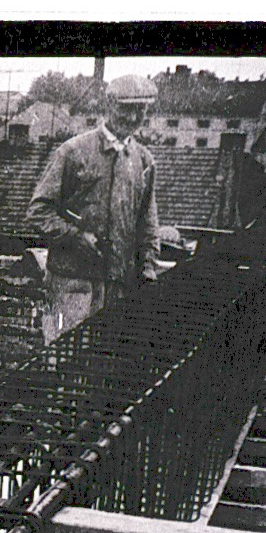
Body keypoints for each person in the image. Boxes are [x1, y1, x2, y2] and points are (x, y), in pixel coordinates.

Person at [26, 74, 161, 344]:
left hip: (117, 288)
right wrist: (76, 236)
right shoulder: (73, 152)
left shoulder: (144, 161)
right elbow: (38, 211)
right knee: (64, 358)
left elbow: (147, 226)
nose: (133, 117)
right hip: (71, 284)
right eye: (126, 108)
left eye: (140, 109)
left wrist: (147, 268)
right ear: (109, 105)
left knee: (102, 366)